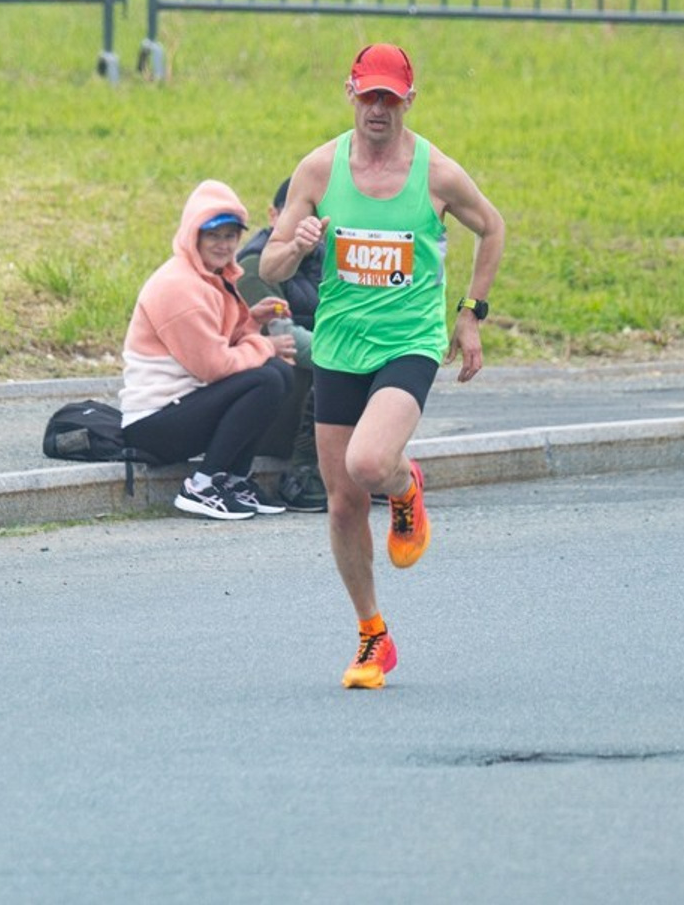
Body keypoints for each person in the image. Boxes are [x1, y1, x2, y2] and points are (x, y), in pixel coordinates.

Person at [260, 43, 505, 688]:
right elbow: (270, 265)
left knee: (367, 464)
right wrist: (297, 245)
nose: (378, 108)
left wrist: (470, 313)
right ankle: (373, 635)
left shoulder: (436, 174)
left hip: (409, 342)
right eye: (369, 95)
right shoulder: (319, 169)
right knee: (342, 503)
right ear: (351, 92)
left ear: (408, 101)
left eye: (390, 99)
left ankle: (404, 486)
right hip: (340, 344)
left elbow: (492, 227)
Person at [120, 178, 296, 521]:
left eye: (230, 235)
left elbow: (225, 345)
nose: (223, 244)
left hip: (183, 405)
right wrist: (265, 344)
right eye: (213, 235)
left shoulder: (213, 277)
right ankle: (201, 487)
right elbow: (215, 366)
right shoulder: (180, 286)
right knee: (267, 379)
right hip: (152, 424)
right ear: (194, 235)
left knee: (277, 373)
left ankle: (234, 480)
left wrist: (252, 322)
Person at [236, 177, 328, 512]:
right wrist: (351, 354)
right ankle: (305, 471)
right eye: (293, 217)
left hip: (314, 391)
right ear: (273, 215)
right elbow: (288, 338)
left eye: (312, 219)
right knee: (338, 364)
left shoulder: (326, 261)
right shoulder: (253, 267)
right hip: (275, 404)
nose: (303, 228)